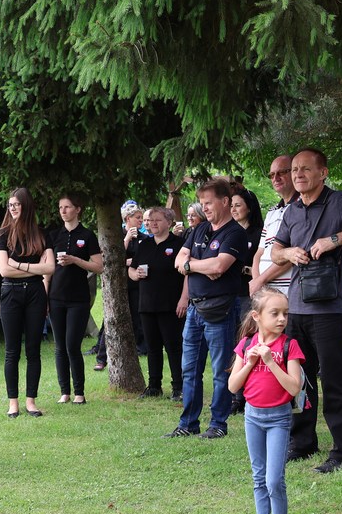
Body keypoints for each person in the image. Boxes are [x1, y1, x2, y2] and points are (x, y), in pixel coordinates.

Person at [270, 148, 342, 472]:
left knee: (336, 381)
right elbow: (275, 250)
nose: (298, 175)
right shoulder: (291, 211)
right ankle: (302, 442)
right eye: (294, 170)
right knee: (298, 379)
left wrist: (335, 239)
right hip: (296, 309)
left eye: (305, 169)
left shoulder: (339, 202)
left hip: (330, 310)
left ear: (323, 173)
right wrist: (290, 252)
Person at [163, 177, 247, 440]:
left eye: (208, 203)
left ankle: (218, 424)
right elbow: (179, 260)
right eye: (201, 203)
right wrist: (199, 265)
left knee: (221, 370)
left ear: (224, 201)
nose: (204, 208)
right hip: (194, 310)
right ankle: (188, 423)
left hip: (221, 310)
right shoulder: (199, 230)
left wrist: (194, 265)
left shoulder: (235, 232)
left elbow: (219, 267)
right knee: (190, 370)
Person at [227, 288, 304, 514]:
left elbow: (294, 387)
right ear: (257, 316)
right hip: (253, 418)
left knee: (274, 480)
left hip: (279, 419)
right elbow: (233, 385)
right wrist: (249, 363)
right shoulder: (246, 344)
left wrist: (271, 361)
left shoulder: (288, 346)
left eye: (285, 313)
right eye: (275, 313)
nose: (282, 318)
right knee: (259, 478)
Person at [0, 188, 55, 417]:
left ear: (26, 206)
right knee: (12, 351)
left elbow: (50, 268)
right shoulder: (3, 235)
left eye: (17, 204)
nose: (13, 208)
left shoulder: (41, 234)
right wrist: (34, 268)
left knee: (33, 350)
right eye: (10, 205)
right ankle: (13, 403)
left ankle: (31, 401)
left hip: (36, 294)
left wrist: (19, 265)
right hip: (10, 293)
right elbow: (3, 269)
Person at [47, 196, 103, 404]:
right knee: (60, 346)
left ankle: (79, 392)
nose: (63, 211)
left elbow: (99, 266)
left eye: (67, 207)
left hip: (78, 298)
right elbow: (47, 269)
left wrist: (76, 260)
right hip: (56, 298)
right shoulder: (54, 236)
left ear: (77, 209)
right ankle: (65, 392)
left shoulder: (87, 235)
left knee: (72, 345)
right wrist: (45, 295)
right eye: (60, 207)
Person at [130, 207, 187, 400]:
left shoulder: (179, 244)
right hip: (146, 303)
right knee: (152, 347)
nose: (152, 223)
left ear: (169, 223)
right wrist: (135, 274)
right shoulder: (144, 245)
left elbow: (187, 274)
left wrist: (184, 299)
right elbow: (131, 269)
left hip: (171, 304)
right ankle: (154, 385)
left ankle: (178, 386)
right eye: (150, 220)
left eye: (157, 220)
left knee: (173, 346)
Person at [95, 201, 147, 370]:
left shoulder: (144, 239)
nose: (140, 221)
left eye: (141, 217)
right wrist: (126, 241)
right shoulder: (117, 236)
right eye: (137, 218)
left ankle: (140, 349)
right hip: (119, 284)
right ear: (127, 218)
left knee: (137, 318)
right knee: (113, 320)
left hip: (137, 285)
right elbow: (112, 259)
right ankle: (102, 357)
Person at [250, 155, 296, 295]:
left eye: (281, 172)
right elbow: (259, 253)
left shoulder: (303, 209)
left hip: (288, 291)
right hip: (265, 290)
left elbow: (295, 254)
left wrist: (260, 280)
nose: (275, 178)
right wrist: (257, 281)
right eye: (271, 174)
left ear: (294, 172)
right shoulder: (272, 212)